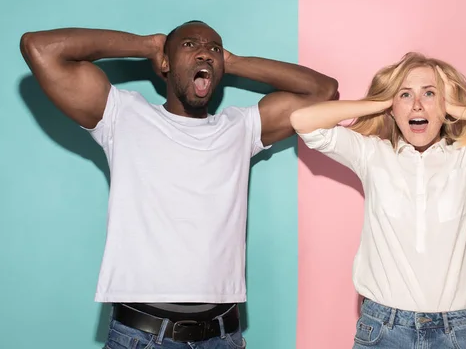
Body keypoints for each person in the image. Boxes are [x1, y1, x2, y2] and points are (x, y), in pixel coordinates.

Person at [20, 20, 338, 349]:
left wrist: (231, 62)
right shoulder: (122, 114)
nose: (204, 53)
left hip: (224, 337)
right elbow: (40, 48)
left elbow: (323, 91)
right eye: (189, 45)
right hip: (142, 337)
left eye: (213, 48)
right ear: (166, 63)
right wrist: (148, 45)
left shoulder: (240, 127)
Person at [290, 52, 466, 349]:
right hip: (382, 328)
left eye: (429, 93)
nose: (417, 105)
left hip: (456, 331)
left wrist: (456, 109)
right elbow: (303, 120)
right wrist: (380, 104)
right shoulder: (372, 155)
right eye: (405, 95)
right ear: (393, 107)